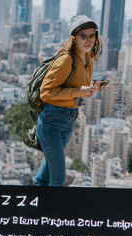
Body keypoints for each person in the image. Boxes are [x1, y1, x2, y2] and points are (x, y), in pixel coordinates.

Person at [33, 14, 105, 186]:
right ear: (74, 38)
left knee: (45, 176)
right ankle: (50, 212)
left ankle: (36, 208)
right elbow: (46, 92)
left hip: (69, 118)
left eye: (91, 36)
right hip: (52, 120)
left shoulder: (87, 58)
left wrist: (92, 88)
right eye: (83, 36)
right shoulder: (66, 59)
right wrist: (78, 92)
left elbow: (77, 87)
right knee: (58, 178)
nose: (88, 41)